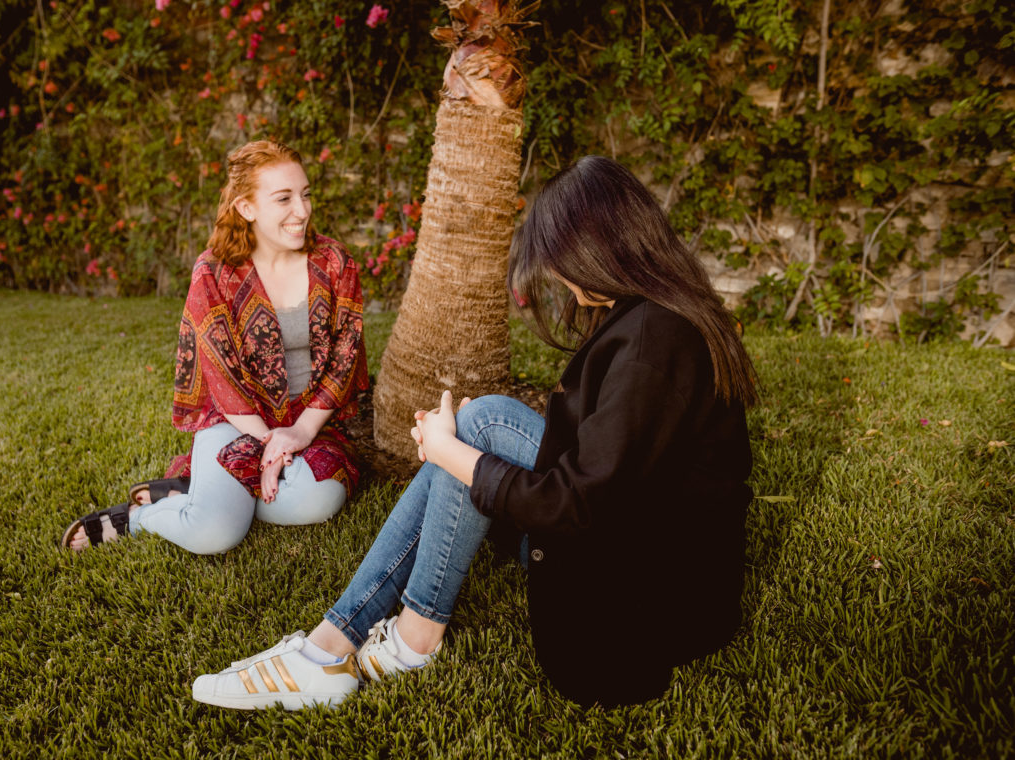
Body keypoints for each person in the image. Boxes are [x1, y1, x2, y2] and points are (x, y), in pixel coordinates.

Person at [190, 155, 756, 709]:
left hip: (637, 607)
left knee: (469, 436)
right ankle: (354, 646)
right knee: (476, 424)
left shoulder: (652, 346)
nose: (556, 276)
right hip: (640, 539)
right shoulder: (656, 314)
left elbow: (580, 506)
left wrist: (453, 455)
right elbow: (604, 462)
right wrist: (454, 451)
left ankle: (351, 650)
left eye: (558, 260)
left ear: (596, 249)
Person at [61, 140, 369, 554]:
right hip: (236, 418)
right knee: (215, 534)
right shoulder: (214, 273)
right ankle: (139, 518)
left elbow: (344, 359)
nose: (303, 210)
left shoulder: (334, 262)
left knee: (315, 501)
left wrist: (297, 433)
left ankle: (207, 488)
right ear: (246, 208)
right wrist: (268, 446)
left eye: (305, 194)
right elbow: (221, 379)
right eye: (284, 199)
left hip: (312, 422)